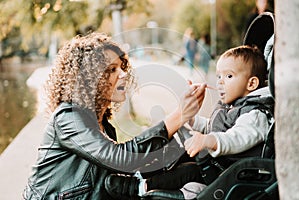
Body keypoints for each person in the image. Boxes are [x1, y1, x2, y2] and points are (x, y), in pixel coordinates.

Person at [22, 32, 207, 199]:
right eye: (112, 70)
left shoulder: (102, 123)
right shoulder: (69, 117)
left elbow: (115, 174)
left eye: (121, 67)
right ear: (89, 78)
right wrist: (179, 116)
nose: (123, 74)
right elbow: (120, 158)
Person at [106, 45, 274, 199]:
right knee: (180, 150)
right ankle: (142, 173)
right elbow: (213, 126)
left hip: (231, 173)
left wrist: (208, 140)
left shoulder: (256, 114)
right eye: (219, 76)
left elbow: (237, 138)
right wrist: (190, 119)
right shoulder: (231, 106)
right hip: (218, 165)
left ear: (251, 83)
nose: (220, 82)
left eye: (229, 76)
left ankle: (140, 187)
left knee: (189, 170)